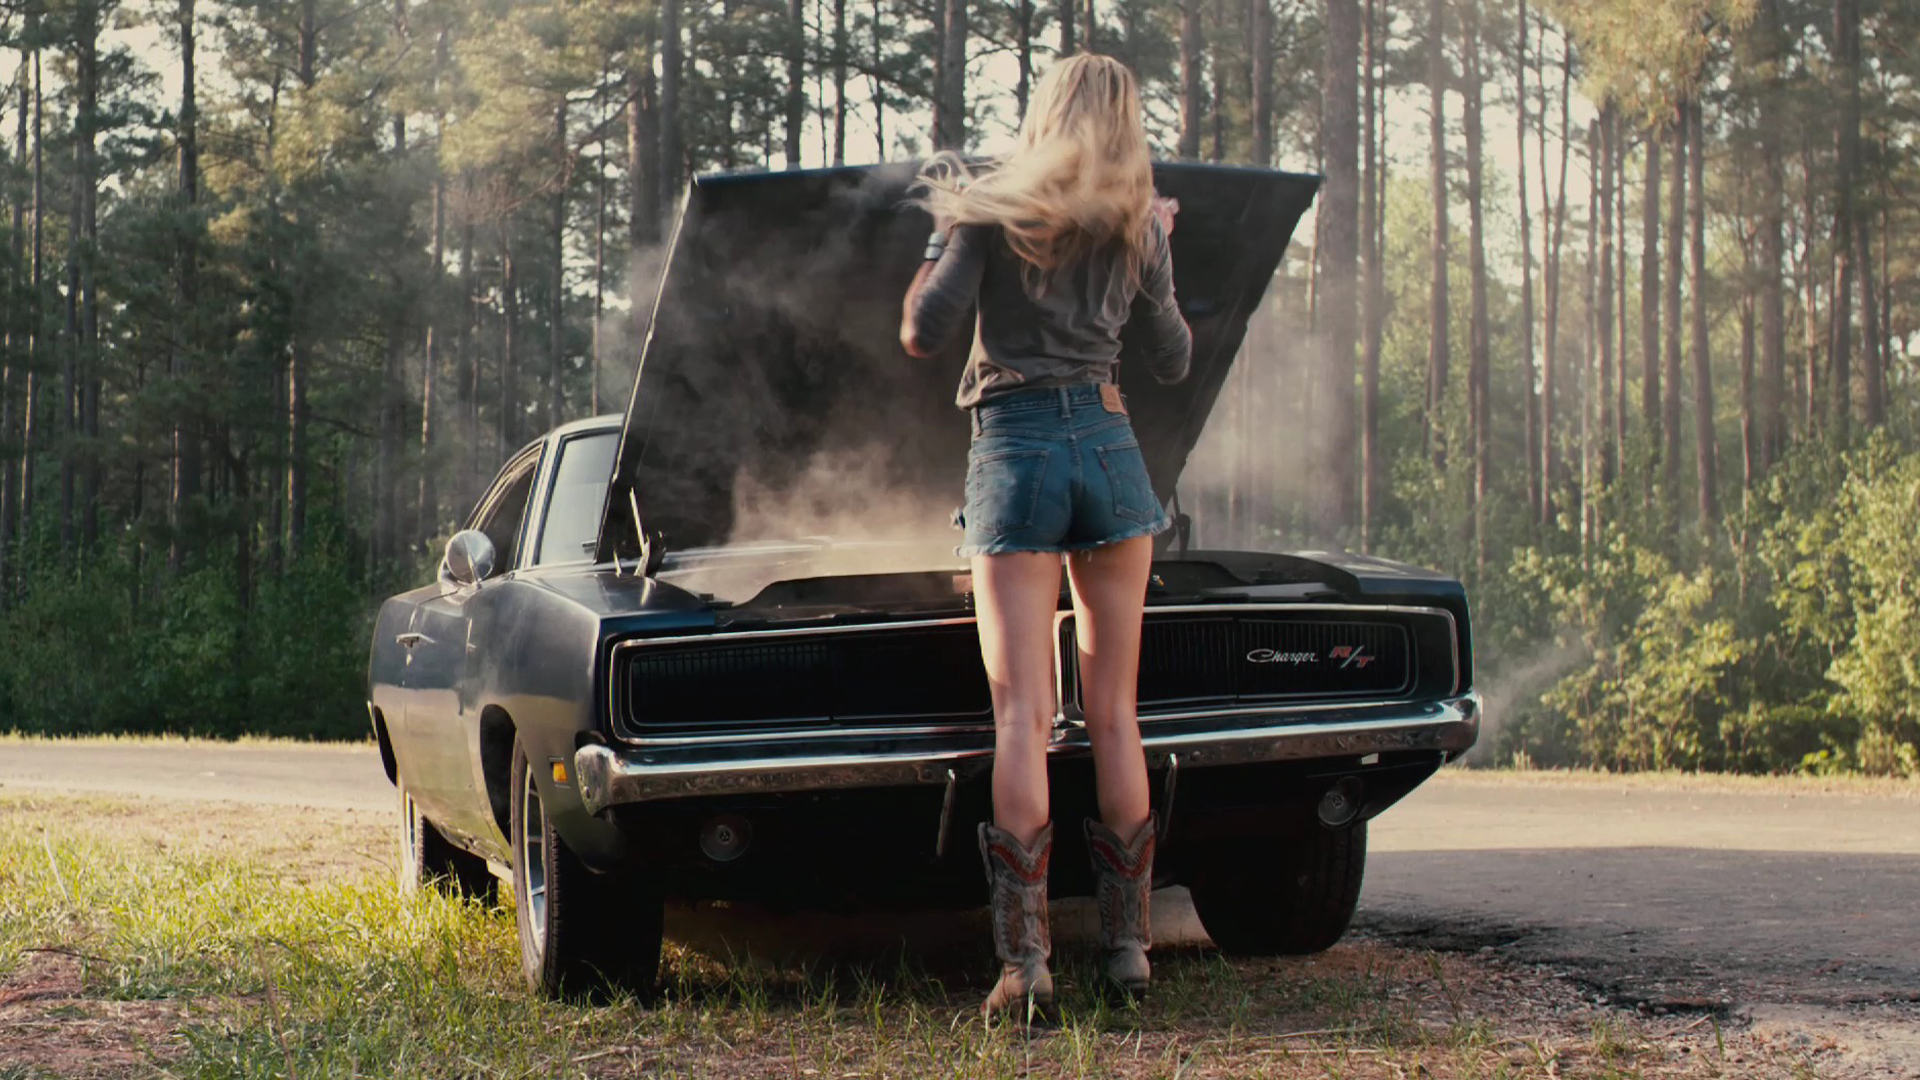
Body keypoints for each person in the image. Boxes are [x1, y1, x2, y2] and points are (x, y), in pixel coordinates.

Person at [897, 53, 1192, 1022]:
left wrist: (945, 233)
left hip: (1017, 450)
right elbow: (1172, 358)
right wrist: (1159, 251)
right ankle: (1130, 953)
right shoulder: (1138, 225)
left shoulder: (992, 210)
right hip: (1110, 450)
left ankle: (1027, 970)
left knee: (1023, 715)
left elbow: (924, 331)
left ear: (1046, 116)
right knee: (1116, 715)